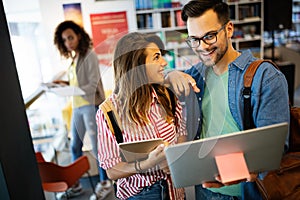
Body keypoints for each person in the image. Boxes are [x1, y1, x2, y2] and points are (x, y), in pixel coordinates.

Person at [165, 0, 290, 199]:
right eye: (194, 40)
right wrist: (169, 74)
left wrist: (242, 170)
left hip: (247, 193)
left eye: (209, 36)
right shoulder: (196, 75)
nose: (202, 47)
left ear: (229, 29)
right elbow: (157, 79)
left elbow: (275, 147)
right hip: (204, 190)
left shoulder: (266, 77)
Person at [95, 32, 187, 200]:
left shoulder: (167, 95)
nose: (164, 62)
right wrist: (148, 164)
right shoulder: (109, 112)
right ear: (136, 65)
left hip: (176, 190)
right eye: (156, 57)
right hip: (141, 194)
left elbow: (181, 131)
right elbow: (112, 170)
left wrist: (175, 157)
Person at [53, 20, 112, 200]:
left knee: (97, 148)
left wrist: (72, 89)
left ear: (79, 35)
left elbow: (92, 84)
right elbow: (76, 82)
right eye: (64, 40)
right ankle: (76, 185)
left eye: (70, 37)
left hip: (90, 104)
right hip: (78, 106)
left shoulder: (89, 55)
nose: (68, 42)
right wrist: (60, 85)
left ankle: (105, 183)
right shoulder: (75, 57)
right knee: (74, 146)